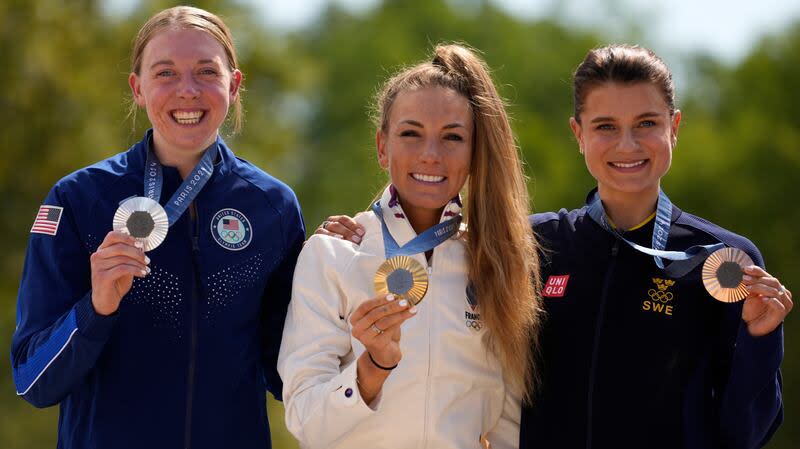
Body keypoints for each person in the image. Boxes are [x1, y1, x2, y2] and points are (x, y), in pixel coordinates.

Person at [320, 44, 792, 449]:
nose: (627, 144)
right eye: (605, 125)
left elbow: (745, 431)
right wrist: (360, 232)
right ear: (578, 133)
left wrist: (760, 340)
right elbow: (433, 238)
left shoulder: (722, 260)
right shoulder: (529, 245)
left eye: (646, 122)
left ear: (675, 126)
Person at [10, 6, 304, 449]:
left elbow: (293, 374)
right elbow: (32, 382)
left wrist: (341, 273)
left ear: (234, 84)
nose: (187, 90)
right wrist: (96, 308)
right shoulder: (78, 200)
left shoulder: (272, 207)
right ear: (138, 89)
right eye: (165, 73)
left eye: (207, 71)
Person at [277, 44, 543, 449]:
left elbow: (507, 421)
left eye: (452, 137)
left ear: (474, 152)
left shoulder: (495, 260)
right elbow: (304, 422)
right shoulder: (332, 255)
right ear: (383, 146)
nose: (431, 155)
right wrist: (373, 367)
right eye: (410, 134)